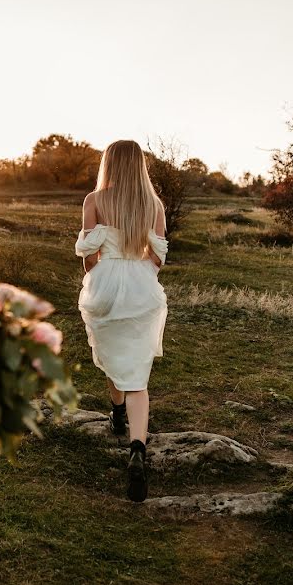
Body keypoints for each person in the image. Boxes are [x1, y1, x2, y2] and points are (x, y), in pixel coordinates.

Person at [75, 140, 168, 502]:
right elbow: (158, 257)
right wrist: (139, 271)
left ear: (109, 164)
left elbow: (88, 256)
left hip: (106, 281)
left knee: (110, 351)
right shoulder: (154, 204)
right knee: (137, 373)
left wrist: (101, 275)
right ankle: (137, 451)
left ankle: (116, 412)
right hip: (141, 284)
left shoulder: (94, 200)